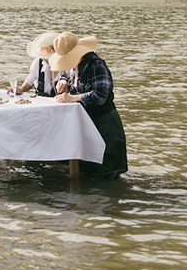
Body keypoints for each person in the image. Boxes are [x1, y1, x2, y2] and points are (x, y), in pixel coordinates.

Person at [49, 31, 128, 179]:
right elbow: (67, 74)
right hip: (87, 122)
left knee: (107, 171)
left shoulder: (96, 64)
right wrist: (64, 81)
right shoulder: (74, 65)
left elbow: (101, 95)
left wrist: (73, 98)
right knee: (86, 168)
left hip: (104, 124)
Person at [27, 31, 61, 96]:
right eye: (44, 57)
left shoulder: (67, 66)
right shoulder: (38, 62)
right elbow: (31, 79)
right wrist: (20, 89)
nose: (46, 59)